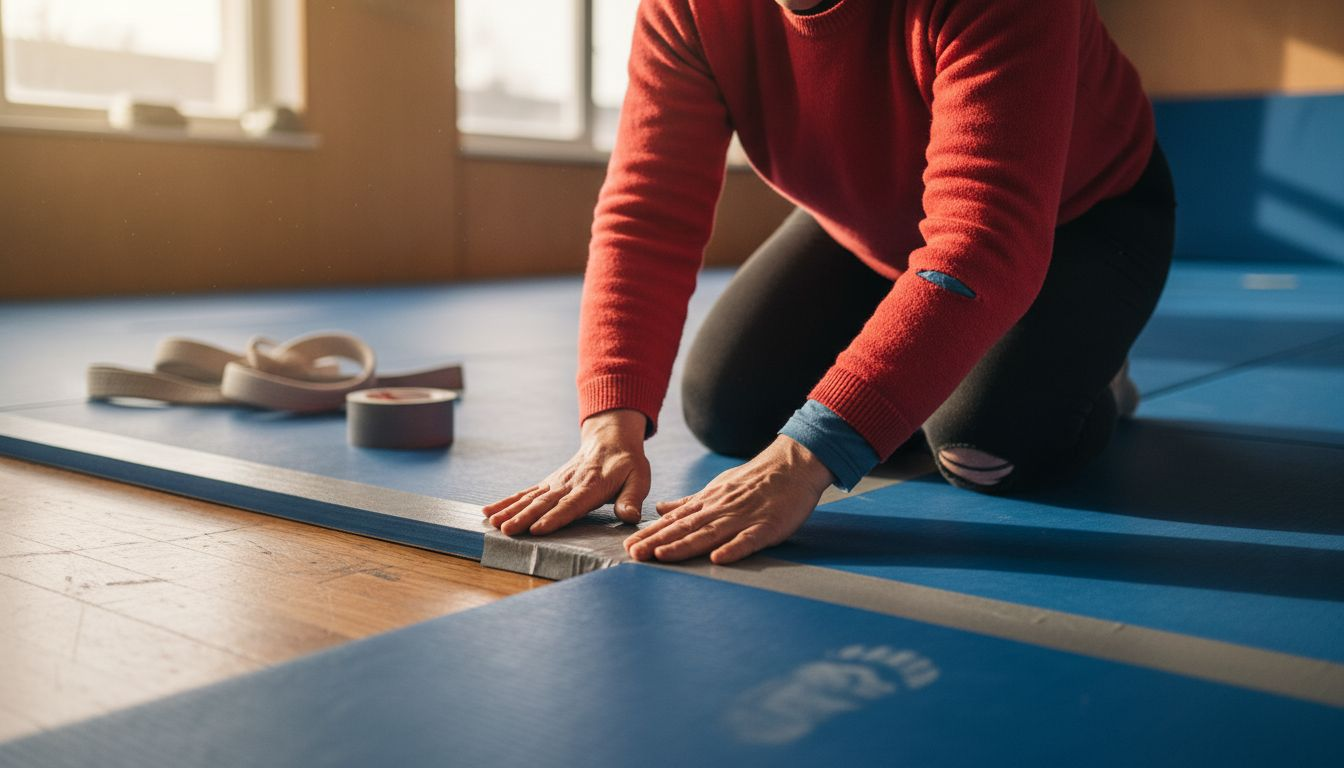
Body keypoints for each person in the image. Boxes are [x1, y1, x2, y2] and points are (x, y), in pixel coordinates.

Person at [483, 0, 1176, 565]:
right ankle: (926, 336)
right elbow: (648, 212)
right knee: (731, 412)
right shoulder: (688, 9)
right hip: (873, 221)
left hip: (1077, 218)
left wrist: (803, 459)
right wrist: (609, 425)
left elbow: (982, 244)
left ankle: (1094, 364)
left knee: (982, 445)